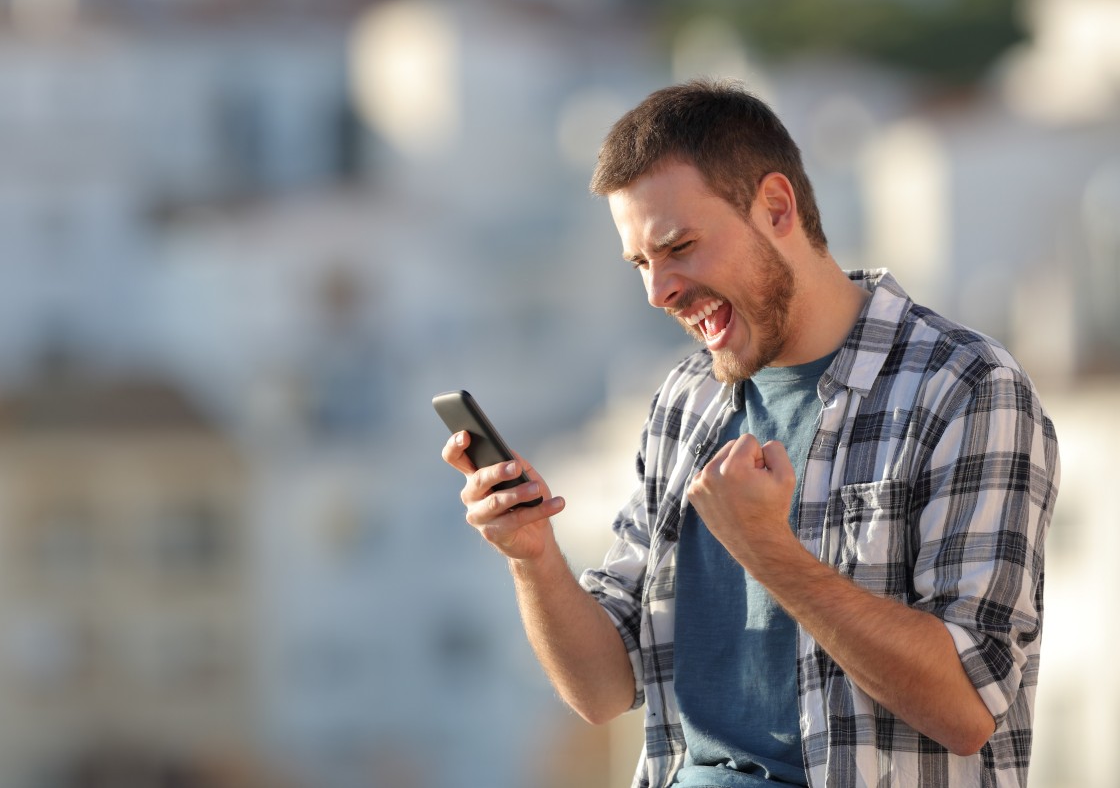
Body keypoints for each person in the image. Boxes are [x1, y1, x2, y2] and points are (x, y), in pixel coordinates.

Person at [441, 79, 1059, 788]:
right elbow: (602, 689)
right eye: (642, 263)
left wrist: (767, 548)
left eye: (679, 247)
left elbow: (967, 705)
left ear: (775, 207)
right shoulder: (686, 401)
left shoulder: (963, 388)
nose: (657, 291)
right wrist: (531, 554)